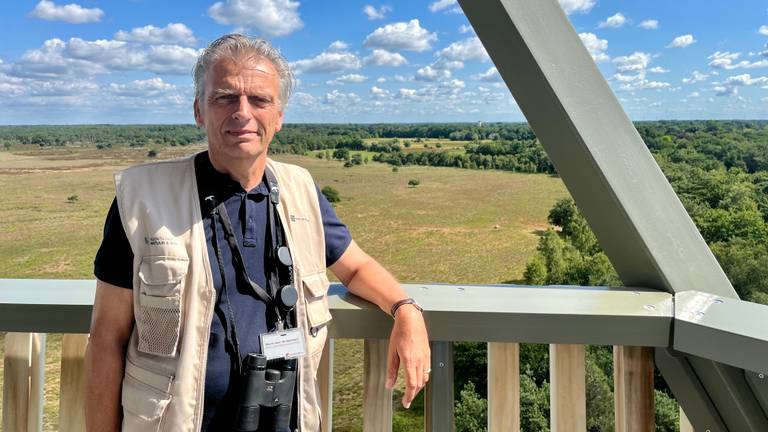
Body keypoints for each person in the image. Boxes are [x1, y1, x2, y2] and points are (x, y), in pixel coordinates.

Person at [85, 34, 430, 432]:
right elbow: (107, 337)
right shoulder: (143, 199)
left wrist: (406, 311)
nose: (242, 112)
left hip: (281, 419)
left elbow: (355, 267)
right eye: (225, 97)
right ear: (199, 110)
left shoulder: (300, 190)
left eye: (259, 100)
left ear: (279, 116)